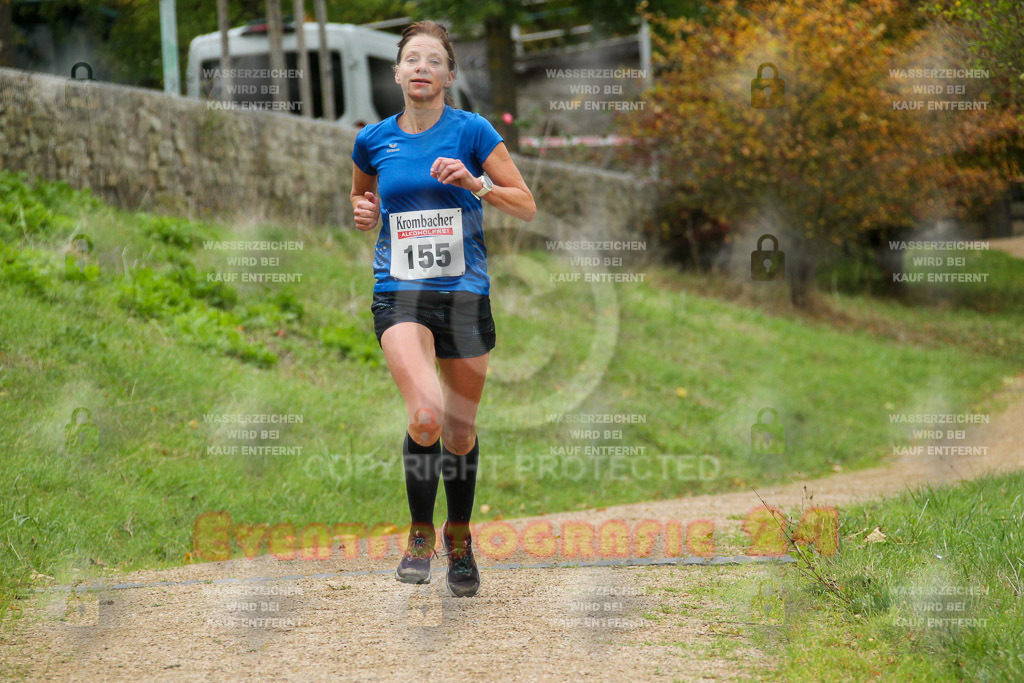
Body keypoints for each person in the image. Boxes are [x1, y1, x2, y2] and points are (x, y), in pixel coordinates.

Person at [349, 20, 536, 597]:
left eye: (434, 60)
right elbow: (362, 199)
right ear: (397, 71)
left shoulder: (473, 131)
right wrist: (362, 214)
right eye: (412, 59)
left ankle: (460, 537)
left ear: (450, 76)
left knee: (457, 432)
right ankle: (420, 534)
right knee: (426, 415)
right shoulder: (373, 140)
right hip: (398, 290)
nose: (422, 67)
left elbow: (526, 206)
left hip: (464, 294)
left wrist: (476, 184)